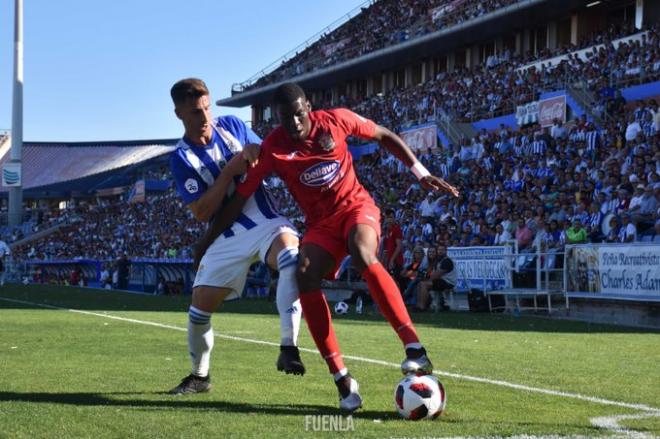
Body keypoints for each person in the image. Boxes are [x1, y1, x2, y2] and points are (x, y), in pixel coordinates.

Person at [195, 82, 459, 412]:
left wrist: (420, 173)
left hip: (355, 208)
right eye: (285, 118)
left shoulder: (337, 120)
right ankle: (342, 379)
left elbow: (383, 135)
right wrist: (206, 241)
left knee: (363, 253)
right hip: (322, 226)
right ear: (277, 119)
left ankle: (414, 347)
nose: (293, 123)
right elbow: (240, 198)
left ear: (309, 107)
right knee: (304, 272)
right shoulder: (273, 148)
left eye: (298, 114)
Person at [167, 78, 305, 395]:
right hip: (225, 235)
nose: (204, 118)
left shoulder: (231, 125)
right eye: (194, 113)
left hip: (265, 218)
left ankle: (289, 347)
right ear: (178, 114)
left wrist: (256, 150)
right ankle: (199, 377)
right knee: (199, 308)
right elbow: (201, 211)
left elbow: (263, 152)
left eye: (205, 109)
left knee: (289, 256)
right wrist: (229, 171)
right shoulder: (181, 158)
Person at [416, 245, 456, 312]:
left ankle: (422, 307)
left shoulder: (447, 261)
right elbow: (432, 273)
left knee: (424, 284)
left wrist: (426, 279)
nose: (440, 252)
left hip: (448, 282)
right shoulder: (438, 261)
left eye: (442, 250)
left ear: (446, 251)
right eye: (439, 250)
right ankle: (419, 305)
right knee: (419, 283)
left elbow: (436, 275)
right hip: (441, 280)